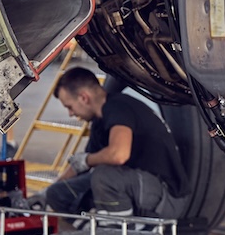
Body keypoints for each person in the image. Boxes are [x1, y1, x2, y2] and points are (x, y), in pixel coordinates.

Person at [41, 68, 187, 220]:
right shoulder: (99, 122)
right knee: (58, 193)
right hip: (137, 188)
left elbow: (118, 155)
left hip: (166, 198)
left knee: (103, 177)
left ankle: (120, 231)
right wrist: (46, 192)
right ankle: (91, 229)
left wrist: (87, 160)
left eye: (69, 107)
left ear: (84, 98)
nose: (71, 114)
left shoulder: (118, 107)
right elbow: (81, 166)